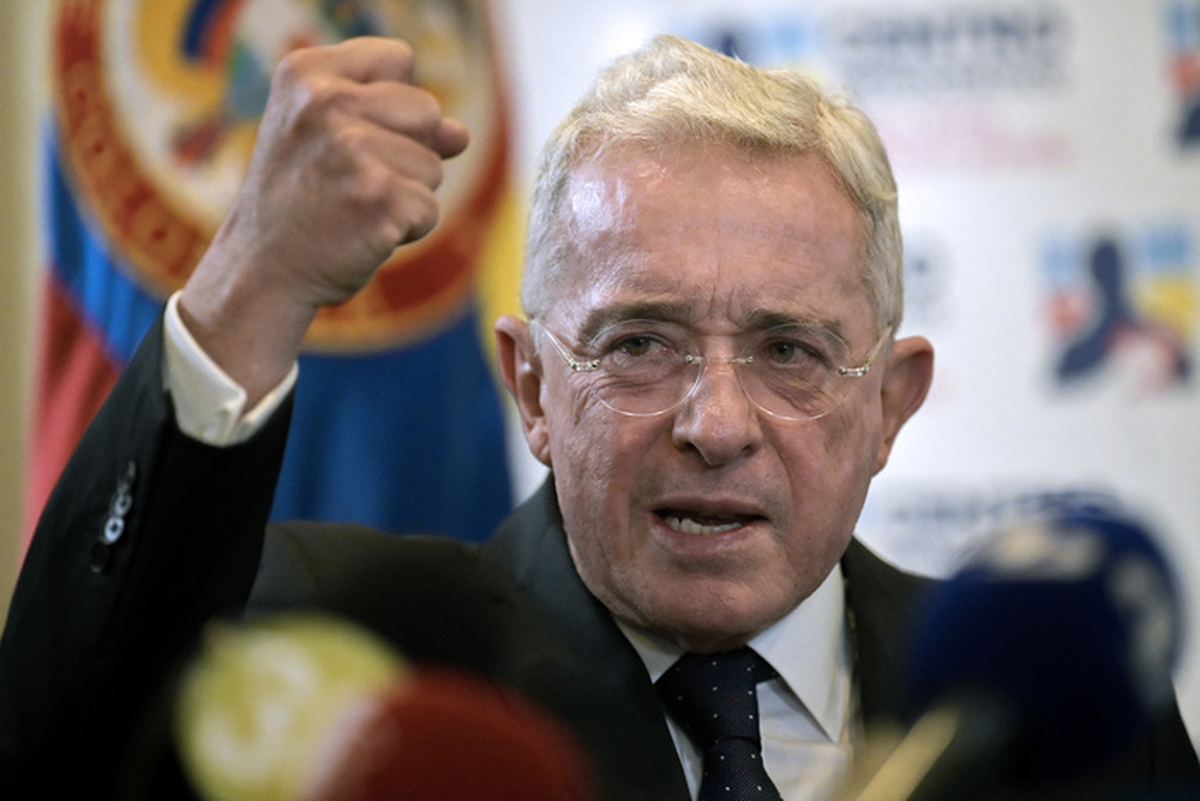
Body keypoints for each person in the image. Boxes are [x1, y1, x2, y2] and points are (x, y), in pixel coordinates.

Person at [0, 34, 1195, 800]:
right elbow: (67, 733)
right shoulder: (348, 659)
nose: (715, 424)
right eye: (638, 344)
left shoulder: (1063, 714)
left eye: (788, 351)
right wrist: (247, 284)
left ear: (889, 406)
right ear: (532, 388)